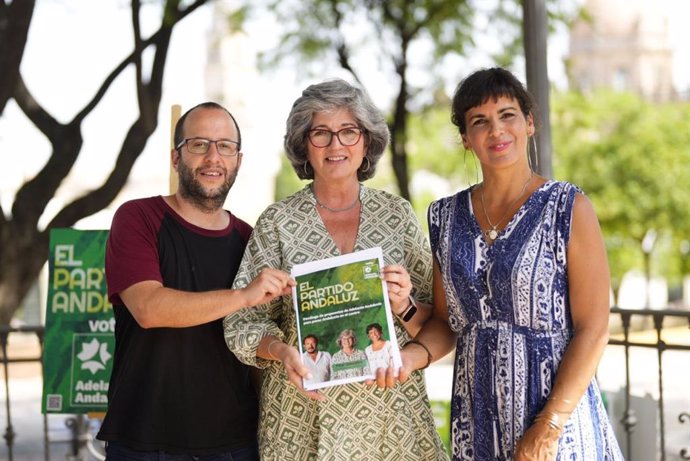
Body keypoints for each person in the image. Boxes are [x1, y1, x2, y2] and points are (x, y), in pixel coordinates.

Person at [377, 67, 623, 460]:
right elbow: (446, 323)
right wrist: (408, 347)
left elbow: (594, 329)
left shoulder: (568, 207)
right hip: (476, 424)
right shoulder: (445, 216)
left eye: (507, 115)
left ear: (529, 123)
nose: (496, 131)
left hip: (557, 426)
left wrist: (550, 425)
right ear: (465, 139)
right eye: (480, 121)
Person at [223, 79, 448, 460]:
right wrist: (280, 350)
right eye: (321, 134)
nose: (335, 145)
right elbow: (242, 324)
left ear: (366, 142)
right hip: (301, 419)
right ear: (303, 145)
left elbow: (440, 323)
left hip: (389, 419)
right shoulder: (278, 222)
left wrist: (405, 305)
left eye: (348, 131)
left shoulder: (397, 216)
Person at [97, 102, 294, 461]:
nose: (212, 157)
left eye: (225, 146)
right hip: (145, 440)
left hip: (235, 443)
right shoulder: (138, 218)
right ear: (176, 158)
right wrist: (243, 296)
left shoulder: (250, 239)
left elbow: (254, 341)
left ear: (238, 160)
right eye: (199, 144)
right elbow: (148, 308)